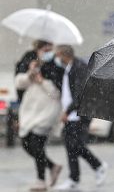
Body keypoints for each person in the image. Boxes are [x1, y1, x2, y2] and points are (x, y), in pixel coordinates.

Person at [53, 45, 108, 191]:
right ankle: (74, 179)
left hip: (78, 114)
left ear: (64, 54)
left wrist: (67, 111)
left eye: (57, 55)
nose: (56, 58)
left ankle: (98, 166)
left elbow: (79, 93)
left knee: (76, 145)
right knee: (70, 146)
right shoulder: (69, 67)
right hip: (71, 115)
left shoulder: (79, 67)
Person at [15, 40, 64, 191]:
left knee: (37, 144)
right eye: (44, 49)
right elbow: (19, 84)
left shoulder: (56, 66)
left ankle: (41, 180)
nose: (47, 51)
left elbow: (56, 93)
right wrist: (30, 73)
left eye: (50, 49)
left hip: (47, 112)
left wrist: (42, 81)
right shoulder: (30, 61)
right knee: (25, 143)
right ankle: (52, 166)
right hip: (30, 111)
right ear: (38, 50)